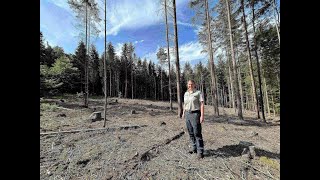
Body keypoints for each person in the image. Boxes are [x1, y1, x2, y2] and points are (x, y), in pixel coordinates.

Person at [182, 80, 205, 159]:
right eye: (188, 84)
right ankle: (194, 149)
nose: (190, 85)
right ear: (187, 85)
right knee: (191, 132)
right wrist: (183, 113)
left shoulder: (198, 93)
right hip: (188, 114)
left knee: (197, 133)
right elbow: (185, 104)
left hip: (195, 114)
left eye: (191, 84)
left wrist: (202, 116)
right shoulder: (186, 93)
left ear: (194, 85)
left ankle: (200, 152)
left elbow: (202, 104)